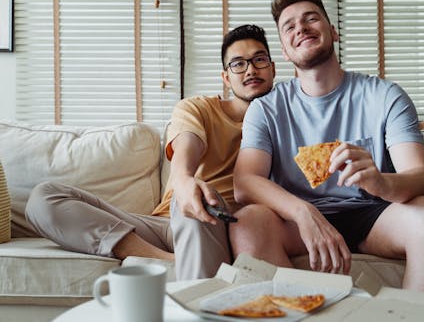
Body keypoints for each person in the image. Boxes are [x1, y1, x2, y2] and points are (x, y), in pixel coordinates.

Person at [231, 0, 424, 294]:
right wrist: (303, 212)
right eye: (289, 27)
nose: (301, 27)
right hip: (299, 223)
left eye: (311, 18)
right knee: (245, 222)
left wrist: (381, 183)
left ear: (333, 31)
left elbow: (422, 179)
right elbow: (245, 182)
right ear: (284, 52)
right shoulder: (266, 109)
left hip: (374, 215)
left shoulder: (385, 96)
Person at [25, 24, 276, 280]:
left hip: (221, 224)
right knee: (44, 198)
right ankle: (171, 260)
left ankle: (192, 269)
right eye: (238, 64)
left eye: (259, 60)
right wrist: (184, 181)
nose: (251, 70)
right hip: (165, 225)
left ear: (272, 67)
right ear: (226, 77)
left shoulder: (286, 116)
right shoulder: (198, 108)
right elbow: (187, 149)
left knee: (202, 198)